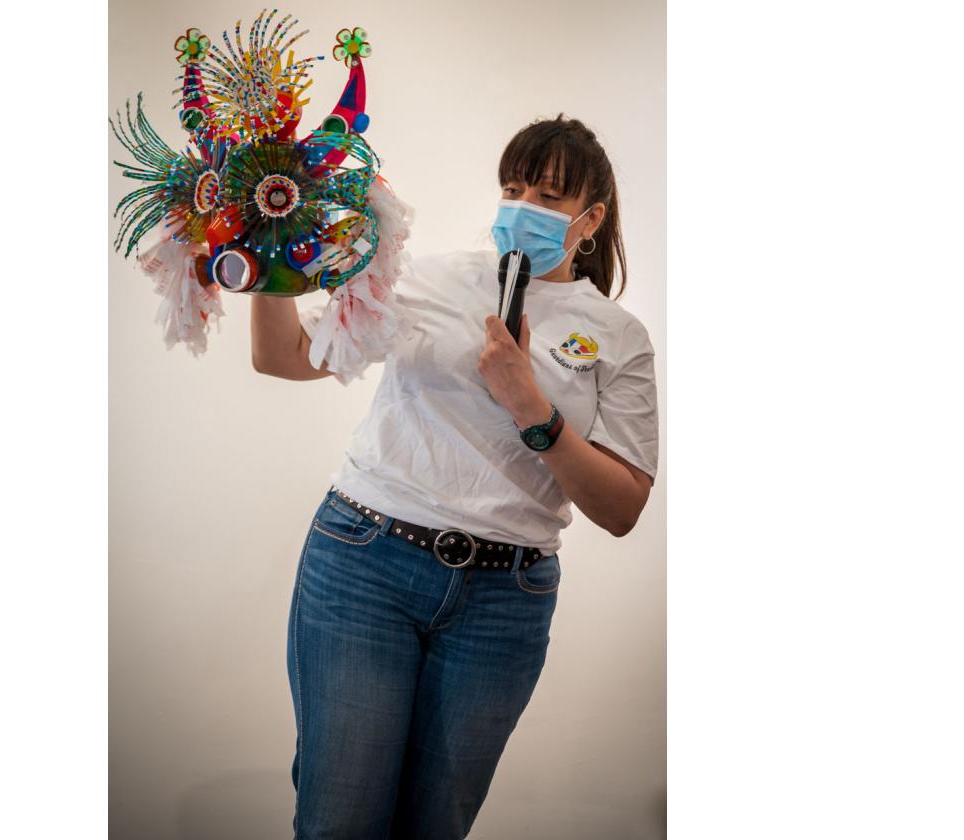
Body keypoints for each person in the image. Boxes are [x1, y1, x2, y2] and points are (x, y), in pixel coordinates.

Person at [251, 114, 659, 840]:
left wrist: (529, 404)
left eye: (549, 196)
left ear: (591, 219)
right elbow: (283, 358)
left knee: (433, 827)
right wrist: (268, 262)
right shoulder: (426, 279)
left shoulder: (618, 338)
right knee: (339, 821)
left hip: (503, 602)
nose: (523, 208)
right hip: (364, 566)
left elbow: (622, 506)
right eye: (514, 188)